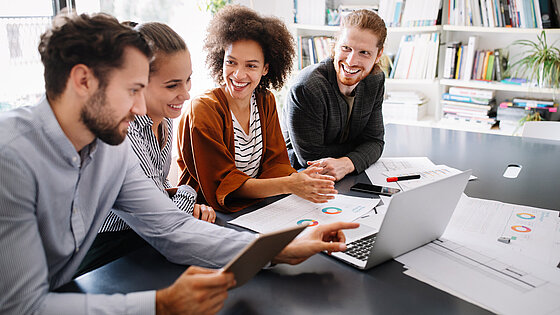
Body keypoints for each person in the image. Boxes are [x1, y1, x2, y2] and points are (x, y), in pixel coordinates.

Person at [0, 13, 358, 314]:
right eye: (131, 91)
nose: (141, 109)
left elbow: (171, 228)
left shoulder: (111, 148)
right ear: (83, 81)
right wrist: (159, 304)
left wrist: (279, 250)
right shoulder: (11, 160)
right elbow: (21, 305)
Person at [76, 22, 216, 277]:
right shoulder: (123, 132)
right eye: (172, 85)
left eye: (188, 80)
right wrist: (185, 192)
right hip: (97, 255)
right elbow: (165, 217)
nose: (185, 95)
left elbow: (158, 196)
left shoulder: (165, 118)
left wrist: (170, 199)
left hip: (137, 239)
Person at [177, 5, 337, 213]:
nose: (238, 75)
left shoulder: (264, 100)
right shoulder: (204, 109)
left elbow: (275, 163)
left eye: (251, 66)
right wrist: (290, 184)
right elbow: (224, 185)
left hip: (255, 208)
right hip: (208, 213)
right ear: (221, 61)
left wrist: (299, 178)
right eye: (231, 62)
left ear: (266, 68)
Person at [282, 9, 386, 181]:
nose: (351, 61)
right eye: (346, 48)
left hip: (346, 175)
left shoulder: (375, 80)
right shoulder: (307, 87)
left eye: (364, 52)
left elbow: (375, 142)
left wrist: (347, 163)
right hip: (300, 178)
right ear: (336, 45)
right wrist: (360, 150)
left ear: (378, 54)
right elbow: (310, 158)